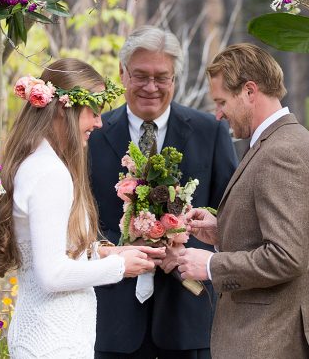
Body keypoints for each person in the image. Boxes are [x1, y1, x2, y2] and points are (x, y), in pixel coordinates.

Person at [0, 58, 163, 359]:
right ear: (65, 109)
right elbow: (51, 275)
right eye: (93, 113)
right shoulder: (50, 173)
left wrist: (103, 252)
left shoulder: (34, 162)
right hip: (53, 341)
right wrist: (119, 268)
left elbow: (47, 249)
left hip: (43, 333)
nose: (99, 123)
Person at [172, 43, 309, 359]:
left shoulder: (282, 153)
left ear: (249, 91)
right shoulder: (278, 142)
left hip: (271, 341)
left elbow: (287, 256)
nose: (218, 114)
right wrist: (223, 233)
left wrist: (211, 265)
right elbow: (281, 236)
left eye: (221, 102)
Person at [89, 26, 239, 359]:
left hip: (188, 314)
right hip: (111, 316)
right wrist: (120, 248)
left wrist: (185, 248)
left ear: (174, 79)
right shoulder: (93, 134)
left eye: (162, 77)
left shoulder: (209, 132)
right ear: (122, 74)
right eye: (140, 76)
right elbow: (81, 219)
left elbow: (229, 216)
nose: (151, 87)